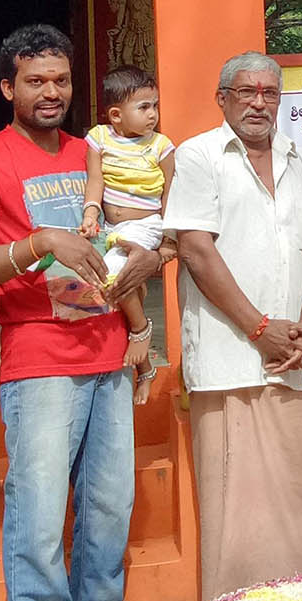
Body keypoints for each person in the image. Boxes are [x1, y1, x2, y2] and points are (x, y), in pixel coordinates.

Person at [0, 24, 150, 601]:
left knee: (109, 500)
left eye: (61, 80)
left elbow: (119, 244)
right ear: (8, 87)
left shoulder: (93, 152)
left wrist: (140, 324)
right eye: (36, 80)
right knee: (38, 511)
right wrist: (37, 240)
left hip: (106, 347)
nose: (51, 91)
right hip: (38, 355)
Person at [163, 52, 302, 601]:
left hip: (291, 356)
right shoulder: (198, 157)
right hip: (229, 357)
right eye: (246, 92)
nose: (258, 103)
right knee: (234, 504)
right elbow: (195, 247)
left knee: (298, 490)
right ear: (223, 99)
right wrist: (259, 328)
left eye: (269, 92)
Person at [81, 64, 176, 377]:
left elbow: (170, 193)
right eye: (144, 107)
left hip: (145, 225)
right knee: (109, 284)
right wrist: (91, 212)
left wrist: (168, 239)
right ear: (116, 115)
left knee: (111, 276)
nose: (153, 115)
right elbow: (95, 180)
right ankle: (145, 369)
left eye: (155, 106)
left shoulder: (160, 146)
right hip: (111, 227)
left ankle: (141, 329)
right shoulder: (99, 139)